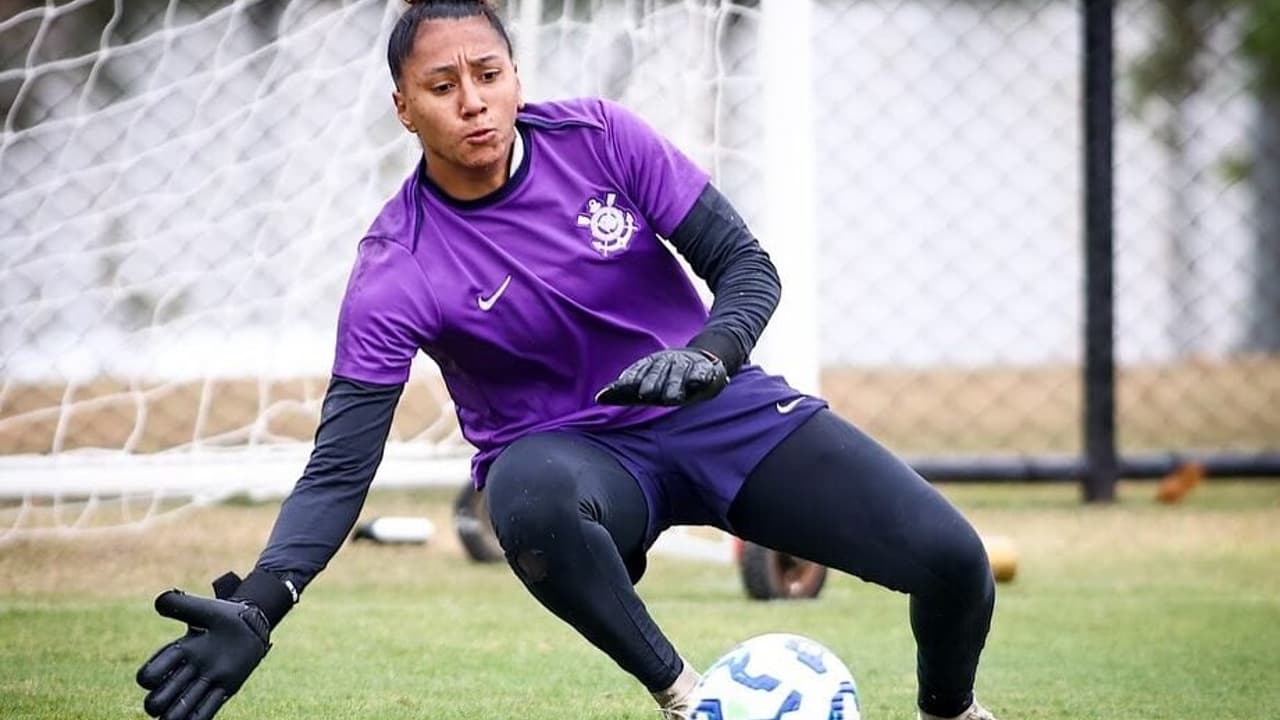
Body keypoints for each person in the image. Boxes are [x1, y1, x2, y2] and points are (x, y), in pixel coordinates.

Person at [134, 2, 999, 719]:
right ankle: (689, 700)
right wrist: (262, 601)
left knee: (956, 565)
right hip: (574, 462)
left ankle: (951, 713)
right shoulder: (396, 267)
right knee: (527, 495)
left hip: (712, 410)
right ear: (404, 108)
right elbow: (337, 471)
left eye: (488, 74)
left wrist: (709, 354)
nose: (472, 101)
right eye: (442, 86)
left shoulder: (602, 140)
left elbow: (746, 267)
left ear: (515, 77)